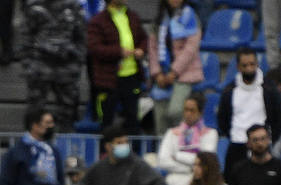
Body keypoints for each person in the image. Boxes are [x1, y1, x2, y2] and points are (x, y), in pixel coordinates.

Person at [217, 48, 281, 167]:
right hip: (236, 144)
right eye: (245, 65)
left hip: (262, 145)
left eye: (252, 64)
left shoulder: (269, 88)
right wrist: (233, 135)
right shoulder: (229, 91)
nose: (249, 68)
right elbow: (222, 119)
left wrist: (269, 139)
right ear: (238, 67)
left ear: (257, 64)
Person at [86, 0, 148, 134]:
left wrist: (141, 49)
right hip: (107, 80)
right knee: (106, 121)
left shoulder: (133, 16)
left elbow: (143, 38)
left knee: (133, 119)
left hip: (131, 77)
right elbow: (95, 48)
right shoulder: (97, 21)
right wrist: (118, 52)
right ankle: (104, 153)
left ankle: (132, 153)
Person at [22, 0, 85, 131]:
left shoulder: (74, 6)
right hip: (40, 64)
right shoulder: (34, 6)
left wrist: (77, 60)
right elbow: (26, 36)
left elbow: (81, 36)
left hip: (66, 65)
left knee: (68, 111)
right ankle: (33, 144)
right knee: (35, 110)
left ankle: (65, 145)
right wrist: (28, 63)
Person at [148, 0, 203, 136]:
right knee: (160, 118)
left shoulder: (191, 17)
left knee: (175, 111)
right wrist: (157, 73)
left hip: (184, 75)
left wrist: (174, 72)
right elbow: (152, 48)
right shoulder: (159, 19)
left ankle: (182, 145)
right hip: (161, 76)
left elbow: (190, 48)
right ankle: (162, 151)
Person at [155, 93, 217, 174]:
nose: (188, 114)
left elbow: (205, 161)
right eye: (186, 110)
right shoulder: (171, 133)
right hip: (174, 178)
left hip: (199, 180)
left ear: (200, 112)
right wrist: (190, 169)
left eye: (192, 110)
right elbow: (162, 161)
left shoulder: (210, 133)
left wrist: (176, 156)